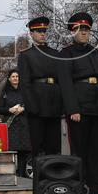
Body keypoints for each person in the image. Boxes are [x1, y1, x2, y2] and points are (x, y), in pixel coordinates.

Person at [59, 12, 98, 194]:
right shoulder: (66, 53)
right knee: (79, 149)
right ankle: (78, 187)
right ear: (72, 32)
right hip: (79, 106)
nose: (83, 32)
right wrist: (72, 108)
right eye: (78, 29)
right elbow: (66, 83)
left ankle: (97, 187)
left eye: (86, 29)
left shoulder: (97, 52)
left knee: (96, 149)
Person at [17, 16, 78, 159]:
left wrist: (62, 105)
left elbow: (62, 81)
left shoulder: (55, 54)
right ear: (31, 33)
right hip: (36, 104)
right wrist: (31, 106)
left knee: (54, 146)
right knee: (38, 147)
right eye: (38, 31)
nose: (42, 34)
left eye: (44, 31)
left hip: (54, 104)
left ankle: (53, 179)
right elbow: (25, 83)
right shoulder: (26, 55)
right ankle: (39, 179)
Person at [0, 69, 31, 177]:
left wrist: (24, 109)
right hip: (11, 126)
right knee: (10, 151)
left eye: (17, 76)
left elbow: (32, 106)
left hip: (24, 125)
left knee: (23, 152)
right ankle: (9, 175)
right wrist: (9, 110)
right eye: (13, 76)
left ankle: (21, 174)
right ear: (9, 79)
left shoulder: (26, 92)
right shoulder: (5, 93)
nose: (15, 78)